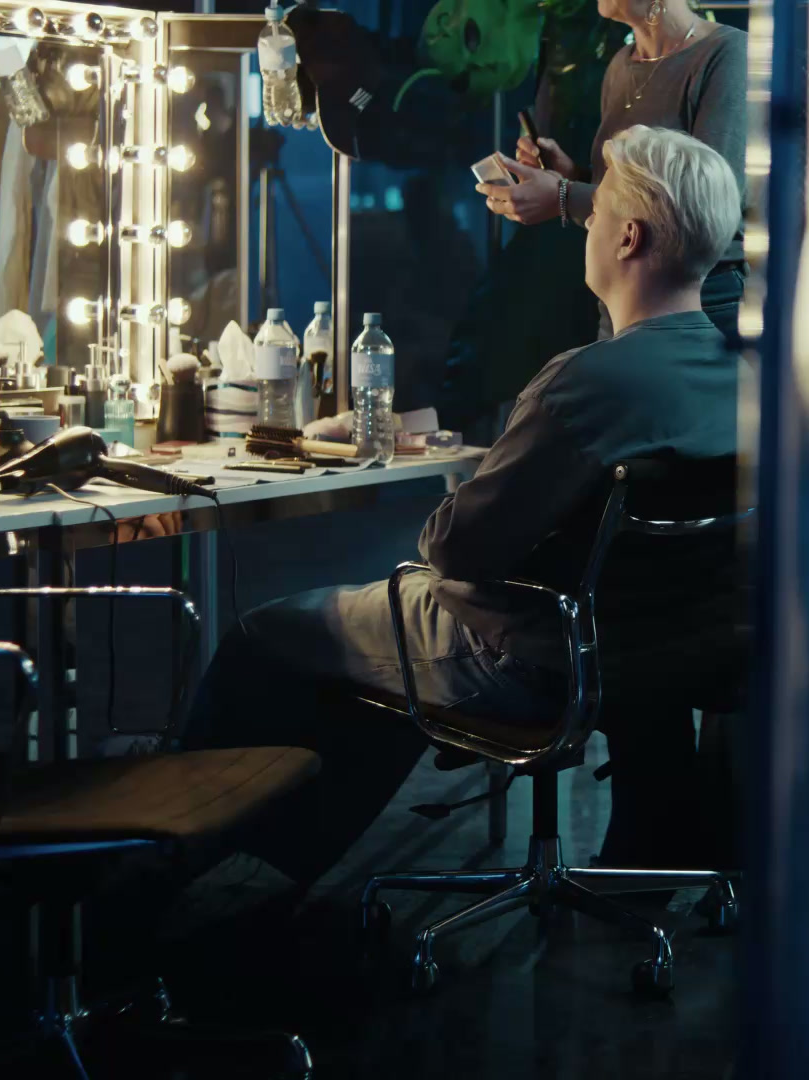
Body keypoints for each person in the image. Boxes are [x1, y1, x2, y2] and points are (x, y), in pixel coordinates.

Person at [180, 126, 746, 885]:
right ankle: (279, 877)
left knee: (266, 634)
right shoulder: (749, 382)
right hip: (671, 653)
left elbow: (456, 548)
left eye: (597, 210)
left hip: (532, 655)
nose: (587, 225)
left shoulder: (586, 382)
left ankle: (173, 873)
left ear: (628, 238)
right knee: (375, 657)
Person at [478, 0, 748, 349]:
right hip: (620, 308)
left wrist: (565, 195)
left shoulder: (727, 55)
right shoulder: (621, 64)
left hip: (698, 313)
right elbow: (632, 191)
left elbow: (709, 209)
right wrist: (572, 174)